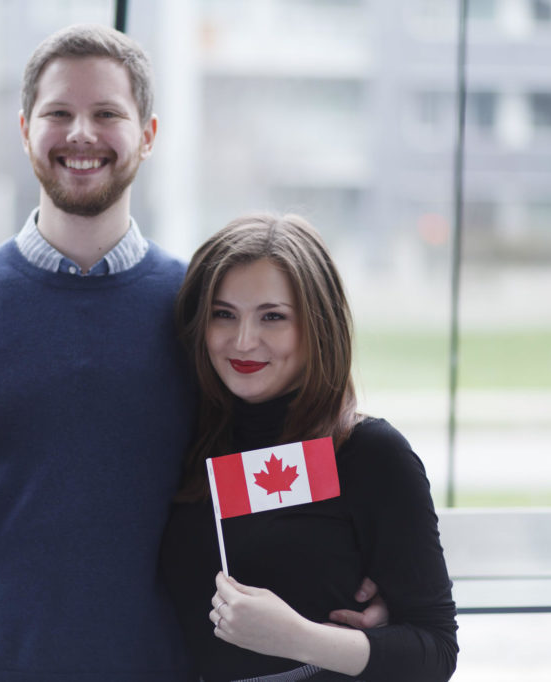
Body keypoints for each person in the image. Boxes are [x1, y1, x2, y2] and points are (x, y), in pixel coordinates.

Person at [0, 23, 388, 680]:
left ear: (148, 135)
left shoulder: (202, 310)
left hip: (158, 666)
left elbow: (276, 461)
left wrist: (359, 571)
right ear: (25, 131)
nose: (82, 133)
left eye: (107, 113)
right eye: (59, 113)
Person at [160, 214, 459, 681]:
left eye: (272, 317)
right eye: (224, 314)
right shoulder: (182, 442)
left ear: (318, 326)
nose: (243, 341)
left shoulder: (371, 455)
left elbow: (435, 651)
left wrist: (301, 637)